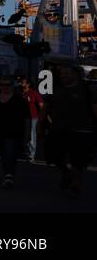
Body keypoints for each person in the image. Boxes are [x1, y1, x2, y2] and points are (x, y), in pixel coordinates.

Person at [45, 63, 96, 198]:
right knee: (53, 155)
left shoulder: (86, 89)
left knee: (78, 159)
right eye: (62, 73)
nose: (64, 76)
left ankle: (76, 182)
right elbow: (47, 106)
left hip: (81, 129)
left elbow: (94, 108)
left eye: (67, 73)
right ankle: (66, 172)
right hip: (58, 128)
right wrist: (40, 123)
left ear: (76, 74)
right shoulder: (56, 88)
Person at [0, 77, 29, 189]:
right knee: (3, 154)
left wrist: (28, 134)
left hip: (14, 132)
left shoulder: (19, 99)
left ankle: (9, 176)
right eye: (2, 85)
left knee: (10, 153)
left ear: (12, 86)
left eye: (7, 85)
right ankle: (7, 175)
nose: (5, 87)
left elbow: (27, 118)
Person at [19, 77, 45, 162]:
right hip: (22, 118)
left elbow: (41, 105)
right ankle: (24, 152)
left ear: (28, 84)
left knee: (31, 136)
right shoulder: (20, 93)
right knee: (23, 136)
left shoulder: (34, 93)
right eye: (21, 82)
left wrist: (41, 117)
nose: (21, 84)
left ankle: (31, 155)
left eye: (23, 82)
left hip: (32, 118)